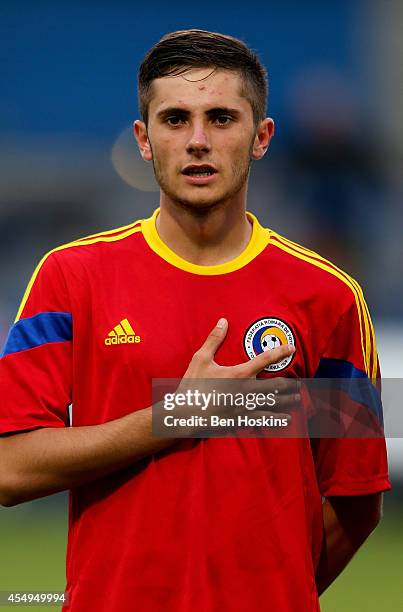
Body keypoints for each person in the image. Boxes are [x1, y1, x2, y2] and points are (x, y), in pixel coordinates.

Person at [0, 29, 390, 612]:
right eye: (176, 119)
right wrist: (174, 415)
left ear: (261, 137)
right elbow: (9, 469)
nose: (198, 141)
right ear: (143, 138)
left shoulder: (329, 297)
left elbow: (357, 498)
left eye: (223, 118)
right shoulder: (70, 278)